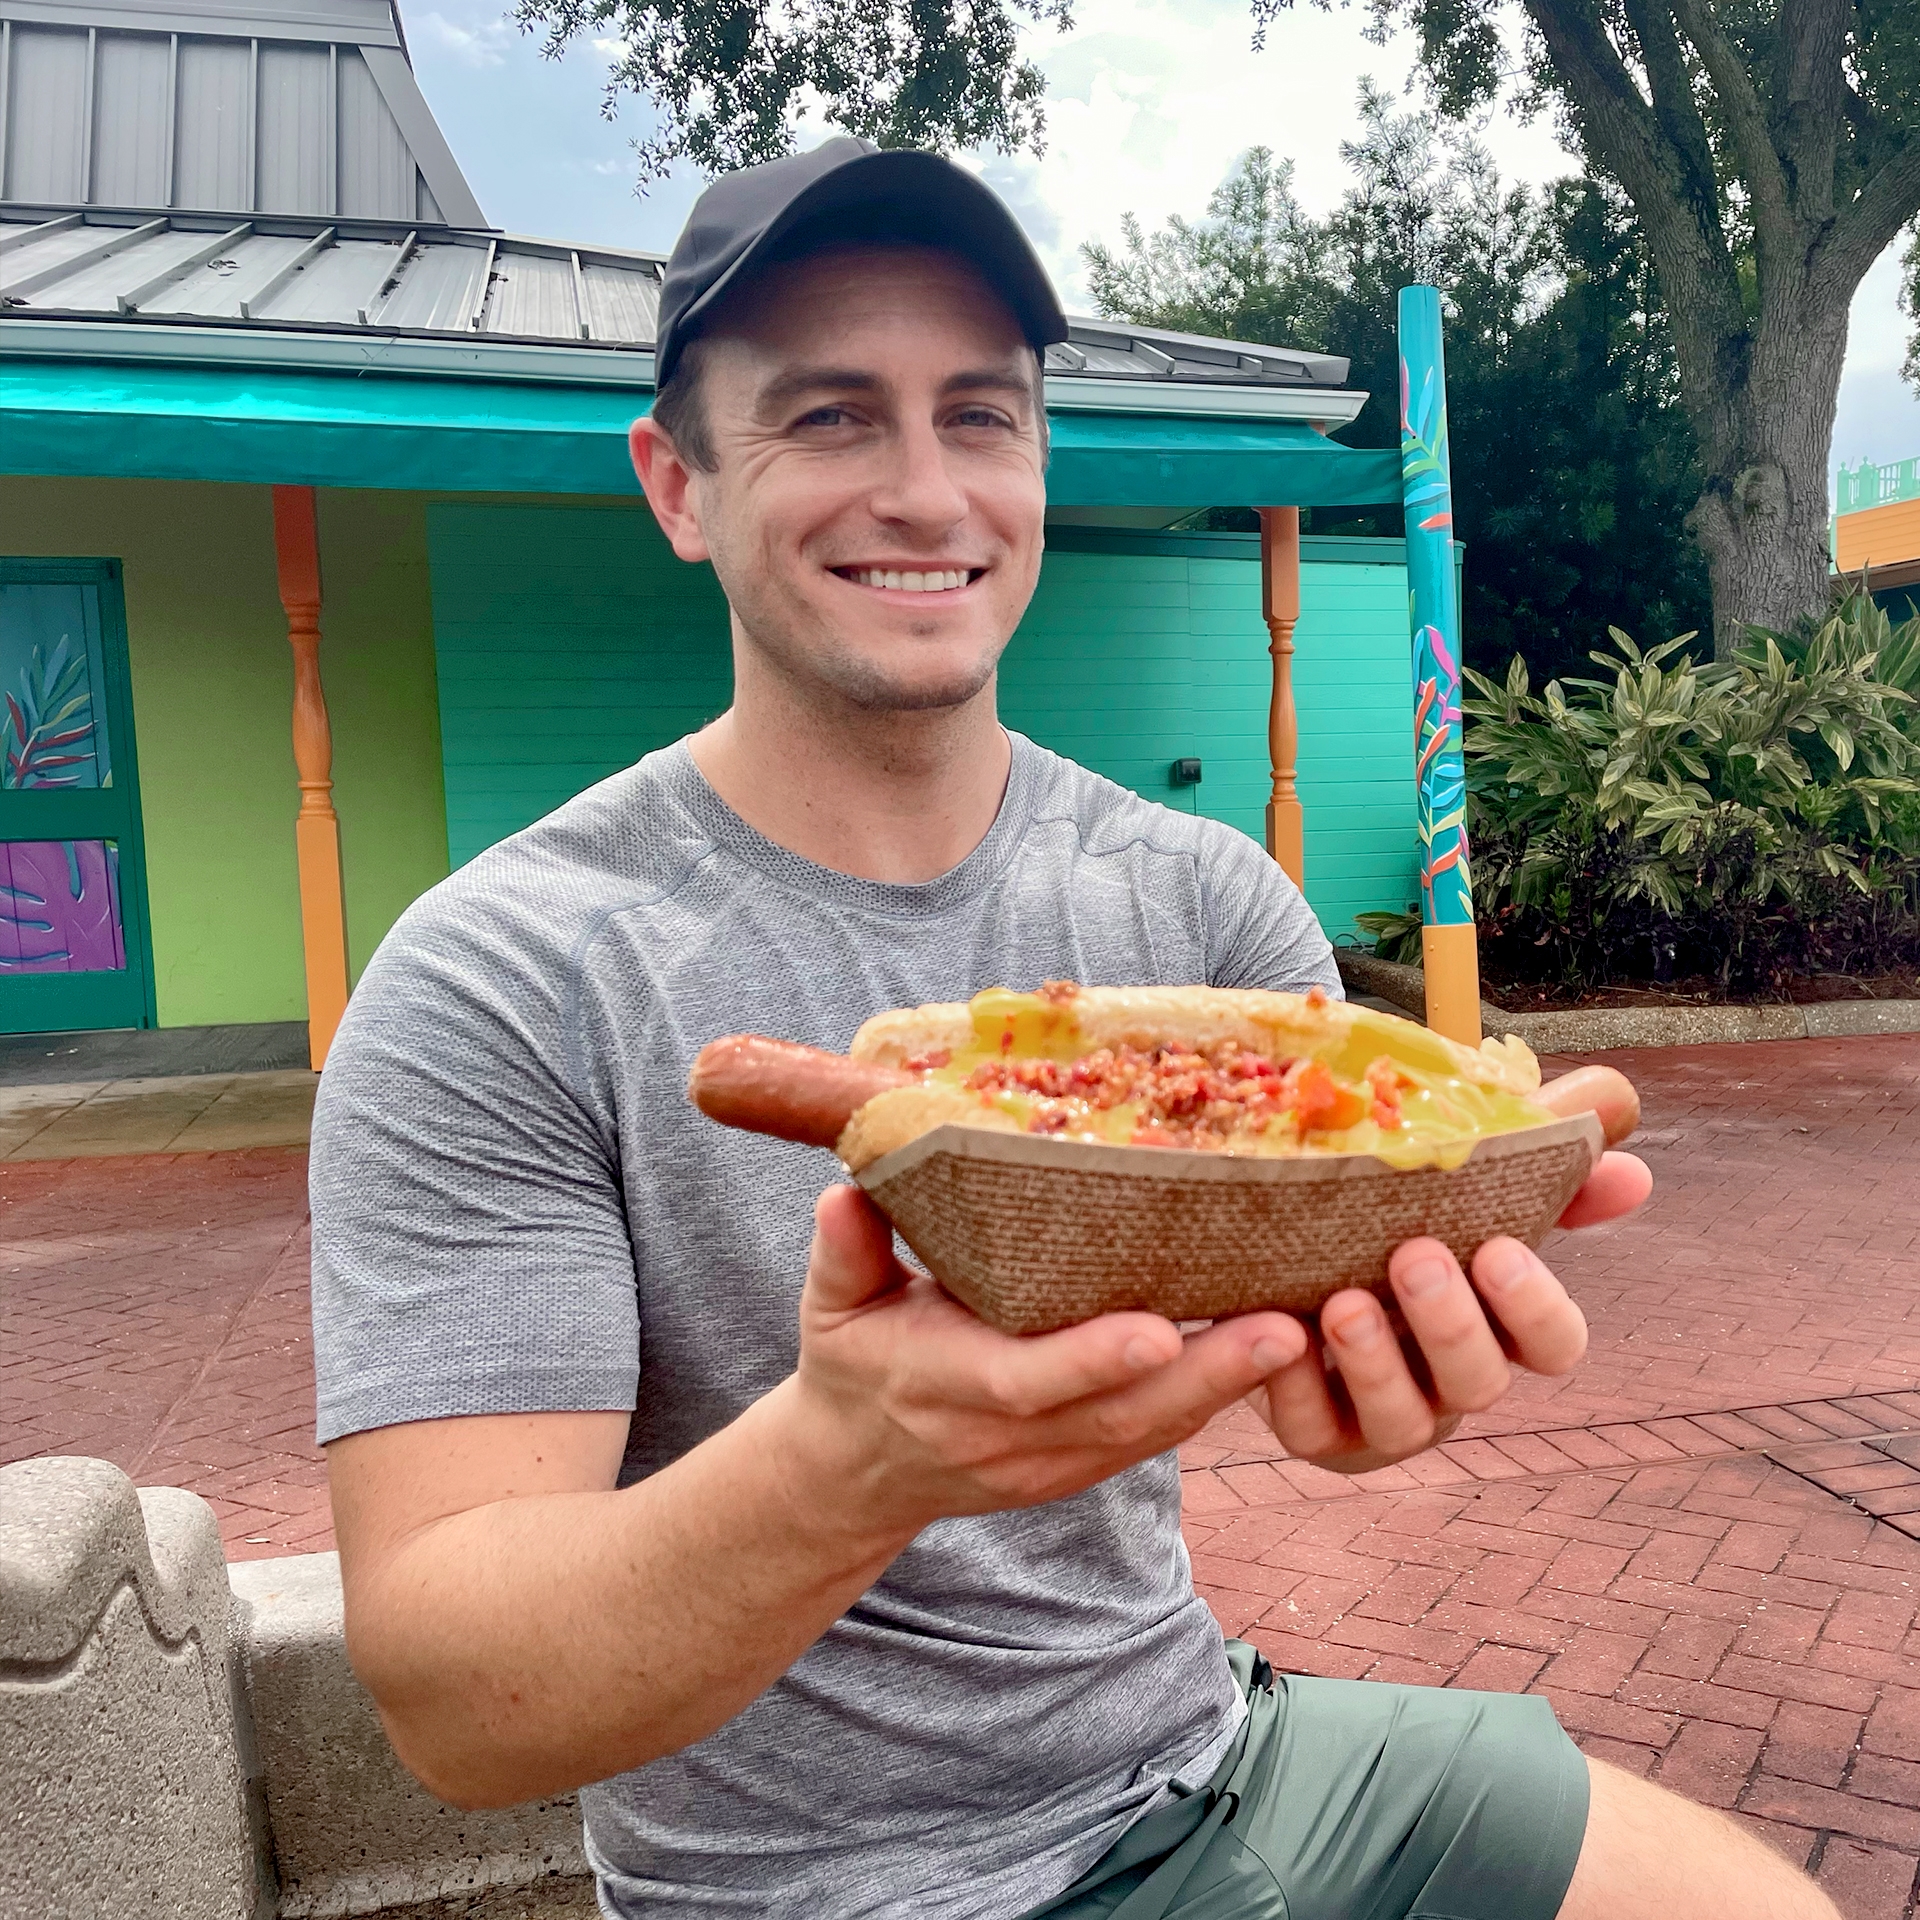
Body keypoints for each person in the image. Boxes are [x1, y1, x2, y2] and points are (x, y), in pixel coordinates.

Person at [313, 138, 1836, 1920]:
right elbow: (455, 1707)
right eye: (825, 418)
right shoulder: (499, 977)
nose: (924, 490)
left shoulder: (1201, 901)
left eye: (981, 414)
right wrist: (854, 1460)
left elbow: (1312, 1316)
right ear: (678, 483)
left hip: (1212, 1752)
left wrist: (1360, 1382)